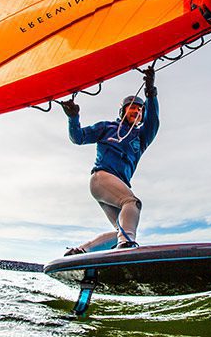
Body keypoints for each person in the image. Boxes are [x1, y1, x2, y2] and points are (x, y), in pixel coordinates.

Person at [59, 66, 159, 255]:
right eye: (132, 108)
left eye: (139, 109)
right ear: (123, 111)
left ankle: (81, 251)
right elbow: (78, 137)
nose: (136, 111)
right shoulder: (107, 127)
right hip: (101, 178)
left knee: (120, 230)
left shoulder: (142, 136)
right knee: (132, 203)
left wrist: (150, 91)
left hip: (115, 187)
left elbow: (153, 120)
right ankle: (127, 245)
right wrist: (73, 117)